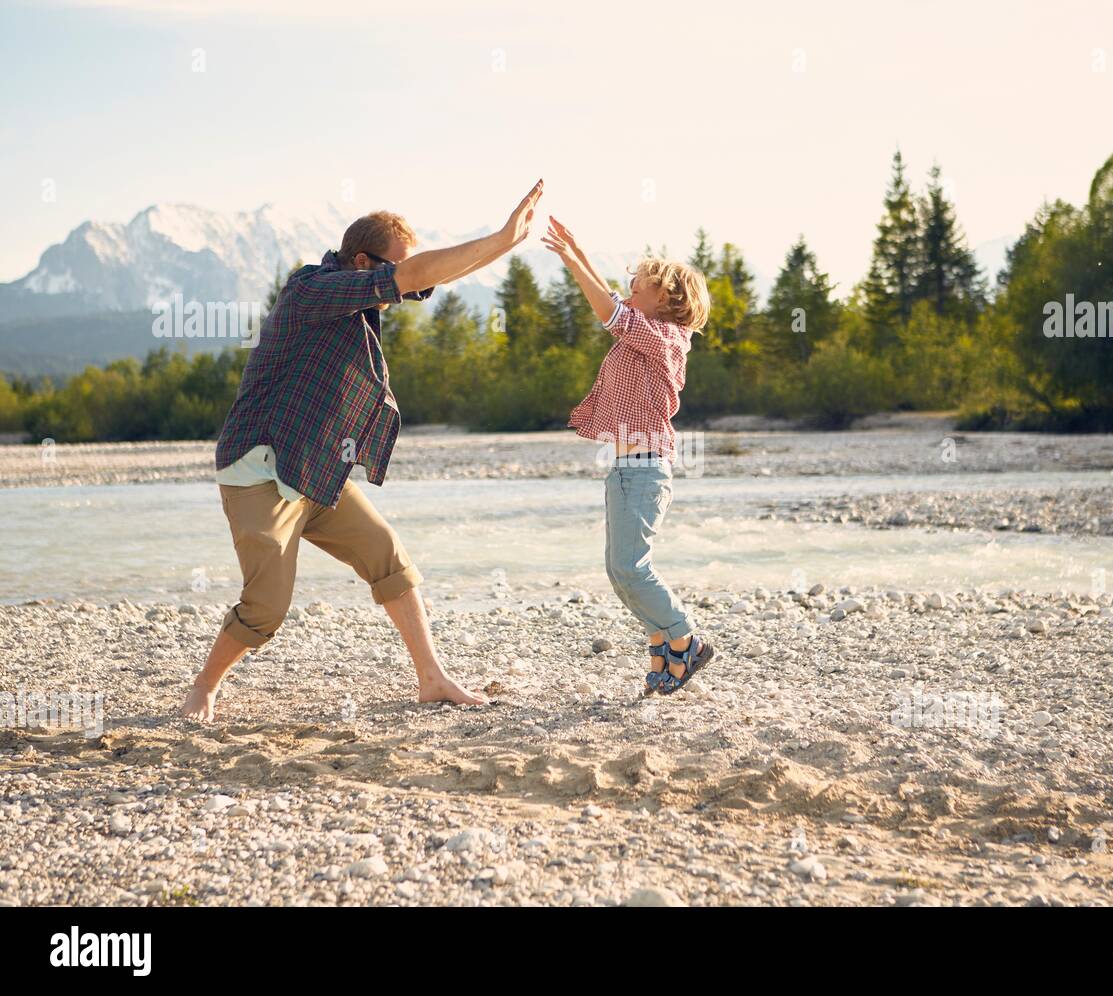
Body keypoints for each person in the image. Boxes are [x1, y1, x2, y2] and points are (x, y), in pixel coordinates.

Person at [180, 181, 544, 722]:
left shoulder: (358, 300)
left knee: (387, 555)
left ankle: (432, 679)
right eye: (388, 267)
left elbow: (424, 274)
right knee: (267, 609)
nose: (395, 281)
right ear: (359, 261)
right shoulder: (312, 289)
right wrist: (499, 236)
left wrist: (502, 247)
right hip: (261, 468)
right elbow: (413, 276)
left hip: (315, 466)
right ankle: (204, 687)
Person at [541, 216, 716, 695]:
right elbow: (613, 306)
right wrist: (576, 251)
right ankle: (663, 643)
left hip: (642, 470)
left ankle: (686, 639)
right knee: (620, 572)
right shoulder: (642, 331)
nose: (628, 292)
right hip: (626, 469)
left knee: (632, 569)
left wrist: (570, 259)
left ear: (666, 298)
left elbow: (608, 311)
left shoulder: (664, 339)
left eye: (638, 287)